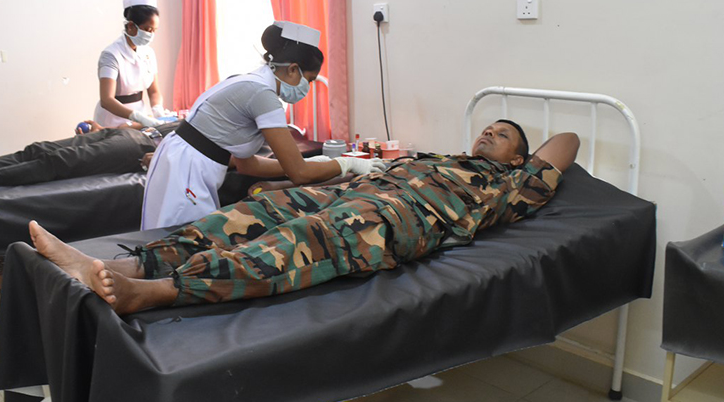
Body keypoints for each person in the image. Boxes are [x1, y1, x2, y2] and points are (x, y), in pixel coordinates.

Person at [29, 121, 580, 315]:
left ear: (519, 158)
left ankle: (154, 293)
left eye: (503, 135)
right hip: (358, 191)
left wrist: (523, 159)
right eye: (488, 126)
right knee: (258, 209)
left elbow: (568, 140)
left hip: (393, 218)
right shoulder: (437, 157)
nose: (488, 133)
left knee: (304, 237)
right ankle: (121, 265)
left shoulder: (508, 187)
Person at [141, 21, 387, 230]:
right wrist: (346, 163)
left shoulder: (249, 82)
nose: (307, 88)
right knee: (178, 242)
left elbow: (246, 164)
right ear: (292, 69)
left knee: (168, 236)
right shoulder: (263, 95)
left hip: (181, 159)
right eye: (309, 80)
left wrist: (315, 163)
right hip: (187, 169)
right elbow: (298, 174)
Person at [0, 121, 176, 191]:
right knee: (38, 150)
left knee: (54, 163)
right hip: (136, 134)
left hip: (142, 149)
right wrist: (111, 130)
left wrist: (161, 159)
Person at [94, 0, 168, 129]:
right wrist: (138, 117)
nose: (151, 35)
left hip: (140, 118)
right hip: (112, 119)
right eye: (147, 29)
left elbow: (154, 91)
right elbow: (106, 100)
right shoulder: (111, 55)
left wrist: (158, 110)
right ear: (131, 26)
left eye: (154, 30)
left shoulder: (148, 53)